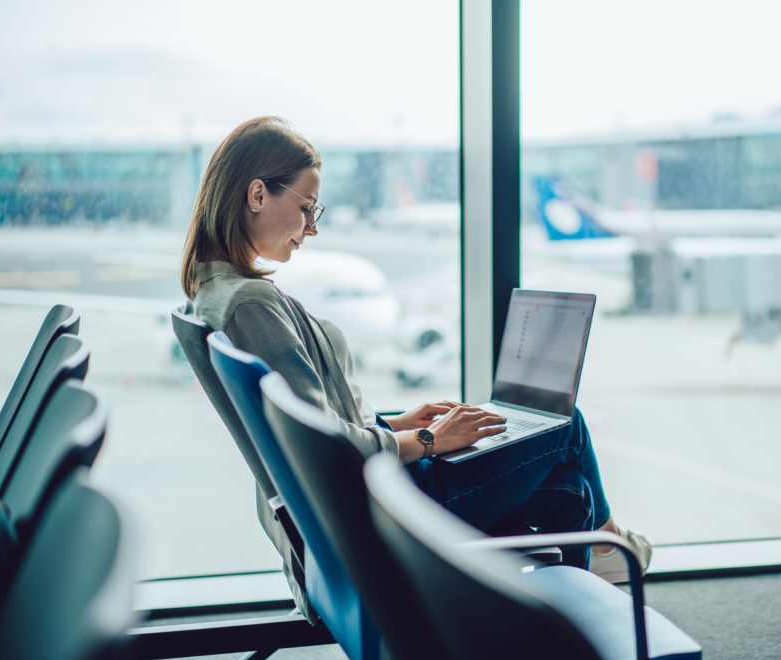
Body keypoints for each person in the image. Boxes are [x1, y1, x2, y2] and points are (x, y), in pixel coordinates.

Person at [180, 116, 650, 580]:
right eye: (307, 207)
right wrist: (428, 441)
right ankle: (613, 548)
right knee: (565, 422)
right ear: (258, 194)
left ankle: (567, 614)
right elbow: (325, 450)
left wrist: (397, 423)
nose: (312, 227)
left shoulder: (216, 294)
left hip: (366, 499)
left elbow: (314, 424)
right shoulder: (250, 305)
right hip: (384, 505)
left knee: (572, 492)